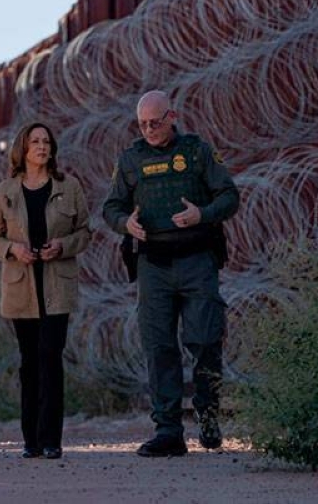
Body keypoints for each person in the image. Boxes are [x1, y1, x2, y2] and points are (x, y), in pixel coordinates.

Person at [103, 90, 239, 457]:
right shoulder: (131, 159)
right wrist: (124, 223)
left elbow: (230, 196)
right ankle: (168, 431)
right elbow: (110, 207)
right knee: (159, 347)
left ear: (172, 116)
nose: (148, 129)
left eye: (155, 122)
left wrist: (203, 214)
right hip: (154, 264)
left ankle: (208, 416)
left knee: (205, 339)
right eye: (142, 123)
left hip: (197, 258)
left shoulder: (197, 152)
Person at [0, 123, 90, 459]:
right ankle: (30, 439)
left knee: (50, 357)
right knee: (29, 362)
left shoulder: (68, 187)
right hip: (21, 286)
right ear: (23, 149)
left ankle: (51, 440)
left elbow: (85, 232)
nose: (42, 147)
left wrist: (63, 245)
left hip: (57, 284)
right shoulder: (5, 191)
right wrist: (14, 250)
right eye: (35, 141)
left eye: (47, 141)